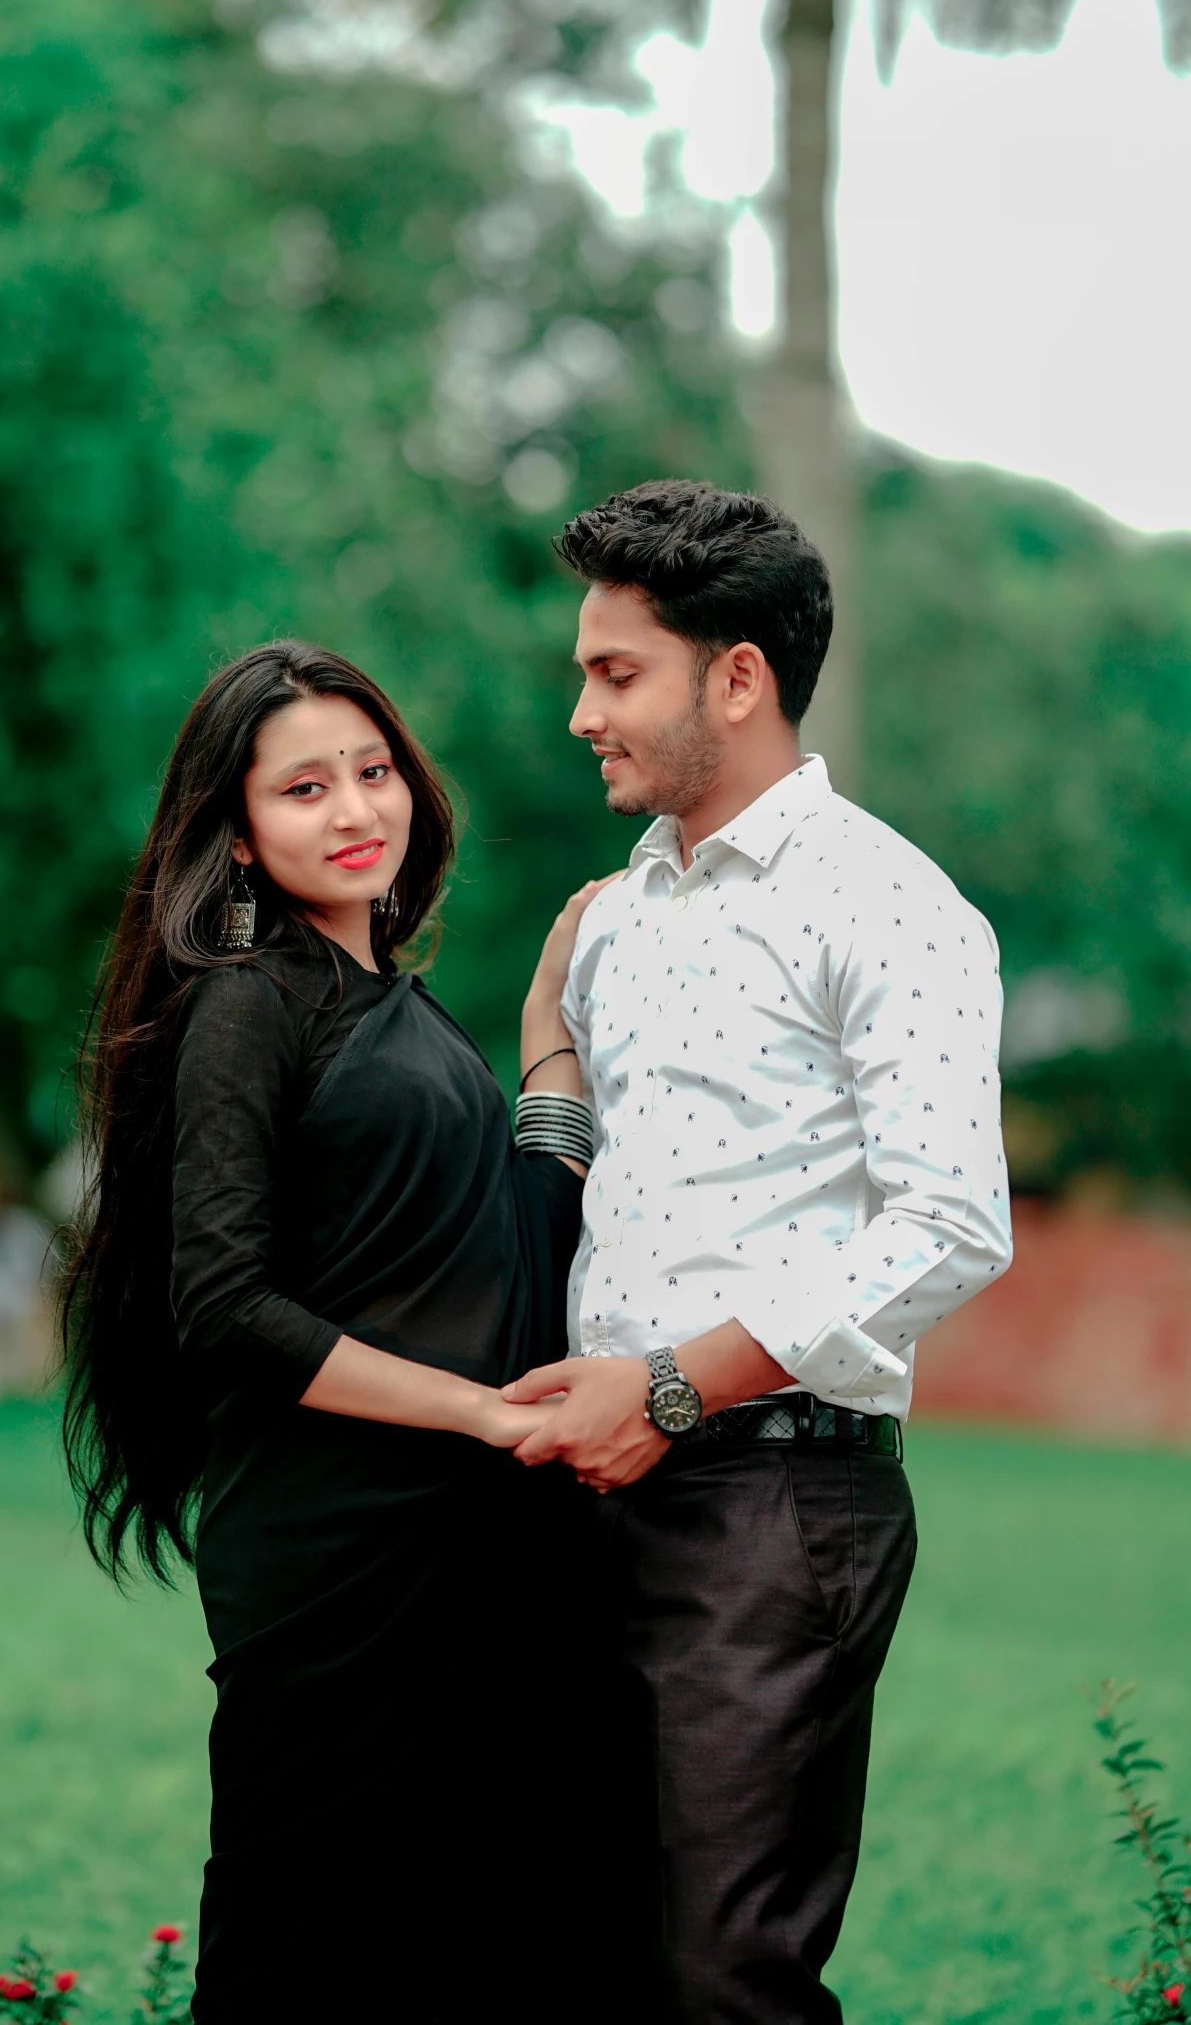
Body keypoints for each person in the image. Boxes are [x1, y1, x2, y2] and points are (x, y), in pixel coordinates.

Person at [58, 640, 650, 2023]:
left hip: (462, 1549)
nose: (352, 809)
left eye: (371, 770)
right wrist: (477, 1412)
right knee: (303, 1949)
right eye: (303, 786)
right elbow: (225, 1303)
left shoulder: (395, 1007)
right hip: (334, 1558)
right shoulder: (247, 1003)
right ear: (239, 834)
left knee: (457, 1946)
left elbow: (513, 1230)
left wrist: (543, 1033)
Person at [506, 480, 1014, 2024]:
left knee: (723, 1981)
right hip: (588, 1490)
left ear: (736, 675)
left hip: (768, 1503)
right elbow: (595, 1172)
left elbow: (948, 1225)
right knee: (577, 1952)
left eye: (614, 672)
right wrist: (545, 1045)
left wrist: (666, 1391)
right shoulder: (616, 912)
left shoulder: (891, 904)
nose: (580, 709)